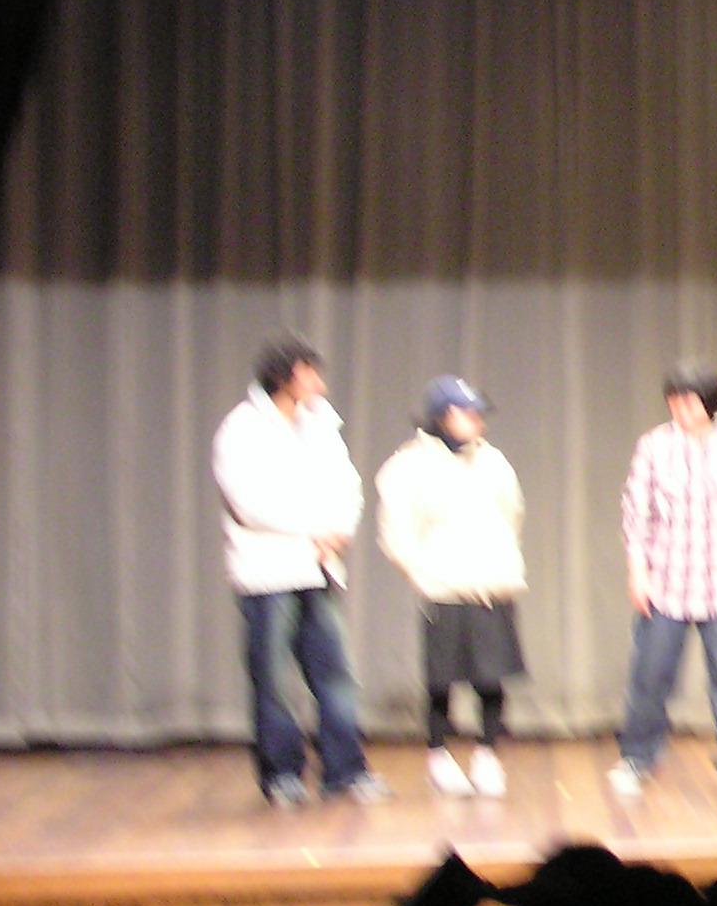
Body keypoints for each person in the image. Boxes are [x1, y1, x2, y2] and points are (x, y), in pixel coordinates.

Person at [211, 335, 389, 806]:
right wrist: (314, 529)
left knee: (335, 674)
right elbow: (248, 503)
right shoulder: (241, 429)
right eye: (309, 374)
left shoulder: (320, 424)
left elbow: (348, 483)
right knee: (273, 680)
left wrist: (340, 530)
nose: (319, 384)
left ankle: (346, 771)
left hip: (319, 567)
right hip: (268, 572)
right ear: (284, 377)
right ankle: (282, 774)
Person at [611, 364, 717, 799]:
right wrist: (637, 572)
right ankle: (637, 757)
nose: (680, 409)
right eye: (673, 401)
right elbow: (636, 513)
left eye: (688, 401)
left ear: (709, 403)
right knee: (651, 676)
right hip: (666, 583)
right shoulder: (653, 447)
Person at [376, 376, 527, 800]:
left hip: (491, 584)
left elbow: (512, 513)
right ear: (443, 416)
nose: (477, 421)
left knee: (492, 677)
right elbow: (397, 530)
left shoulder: (493, 461)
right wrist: (422, 573)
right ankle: (439, 756)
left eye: (478, 413)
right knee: (441, 679)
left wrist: (501, 561)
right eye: (467, 413)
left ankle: (487, 755)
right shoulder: (409, 466)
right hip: (443, 587)